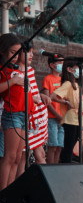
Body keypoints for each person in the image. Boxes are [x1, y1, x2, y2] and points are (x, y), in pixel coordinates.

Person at [0, 33, 34, 190]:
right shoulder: (3, 70)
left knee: (18, 158)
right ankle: (3, 193)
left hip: (24, 114)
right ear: (3, 51)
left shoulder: (16, 69)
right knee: (10, 156)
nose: (15, 56)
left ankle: (10, 193)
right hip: (12, 114)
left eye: (17, 53)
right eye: (12, 52)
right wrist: (13, 81)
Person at [16, 44, 50, 177]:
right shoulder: (16, 72)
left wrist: (41, 96)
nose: (31, 55)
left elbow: (33, 91)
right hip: (25, 116)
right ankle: (18, 188)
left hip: (36, 116)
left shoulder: (30, 70)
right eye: (28, 52)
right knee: (23, 156)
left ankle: (46, 186)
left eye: (32, 52)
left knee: (40, 153)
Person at [50, 60, 83, 163]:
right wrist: (65, 102)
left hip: (77, 120)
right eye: (78, 68)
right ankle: (65, 166)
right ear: (69, 69)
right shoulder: (68, 84)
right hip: (70, 120)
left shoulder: (76, 85)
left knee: (71, 145)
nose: (81, 71)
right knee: (68, 147)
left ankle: (66, 164)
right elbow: (52, 96)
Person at [42, 53, 65, 164]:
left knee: (59, 146)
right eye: (60, 63)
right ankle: (50, 169)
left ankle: (56, 168)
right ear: (52, 65)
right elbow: (47, 100)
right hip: (52, 117)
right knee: (52, 145)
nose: (62, 65)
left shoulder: (63, 79)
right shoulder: (48, 79)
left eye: (63, 63)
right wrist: (57, 115)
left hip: (62, 118)